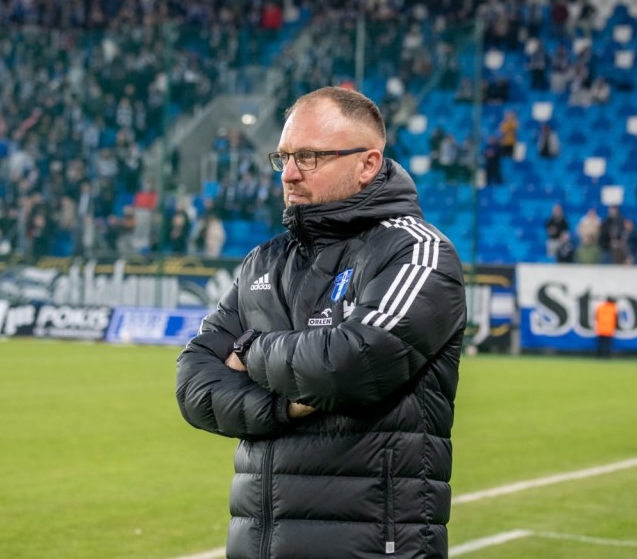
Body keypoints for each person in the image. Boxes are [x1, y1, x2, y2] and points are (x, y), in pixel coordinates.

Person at [175, 86, 468, 558]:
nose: (289, 173)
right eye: (284, 157)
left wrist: (249, 350)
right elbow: (193, 385)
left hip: (370, 546)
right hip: (257, 544)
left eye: (309, 157)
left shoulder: (417, 252)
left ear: (368, 164)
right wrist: (284, 407)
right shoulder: (263, 262)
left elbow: (347, 365)